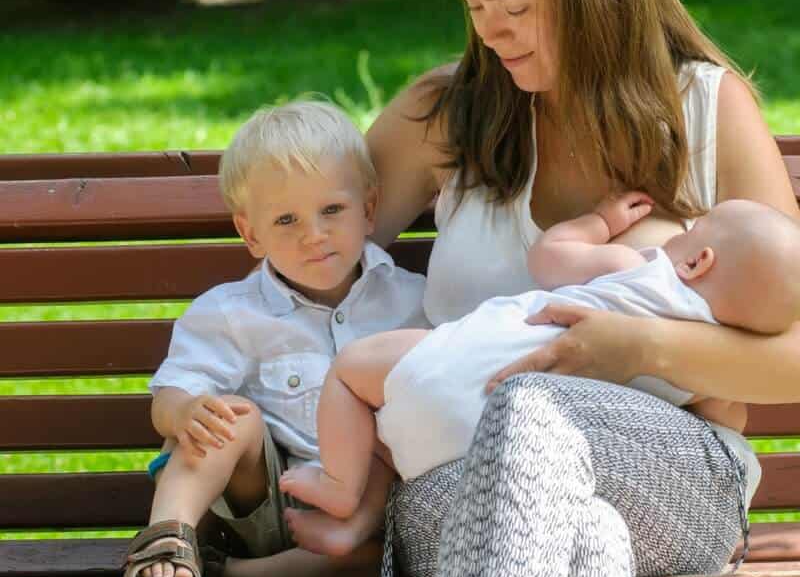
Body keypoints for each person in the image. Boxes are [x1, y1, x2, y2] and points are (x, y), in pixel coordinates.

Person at [361, 0, 800, 577]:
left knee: (530, 408)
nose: (491, 33)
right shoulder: (445, 116)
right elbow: (308, 258)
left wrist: (640, 347)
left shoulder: (706, 110)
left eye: (516, 7)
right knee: (587, 534)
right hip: (450, 474)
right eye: (474, 7)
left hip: (672, 471)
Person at [278, 193, 800, 521]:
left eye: (691, 229)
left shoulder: (641, 270)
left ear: (697, 261)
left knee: (351, 370)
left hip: (455, 375)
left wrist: (597, 220)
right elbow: (725, 423)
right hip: (486, 460)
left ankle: (342, 487)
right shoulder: (704, 371)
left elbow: (549, 258)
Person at [122, 101, 428, 577]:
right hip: (269, 505)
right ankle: (168, 537)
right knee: (228, 416)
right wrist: (185, 411)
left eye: (332, 210)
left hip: (369, 522)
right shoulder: (231, 312)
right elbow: (170, 397)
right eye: (287, 220)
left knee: (384, 544)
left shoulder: (415, 302)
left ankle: (224, 575)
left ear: (369, 209)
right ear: (251, 234)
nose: (314, 235)